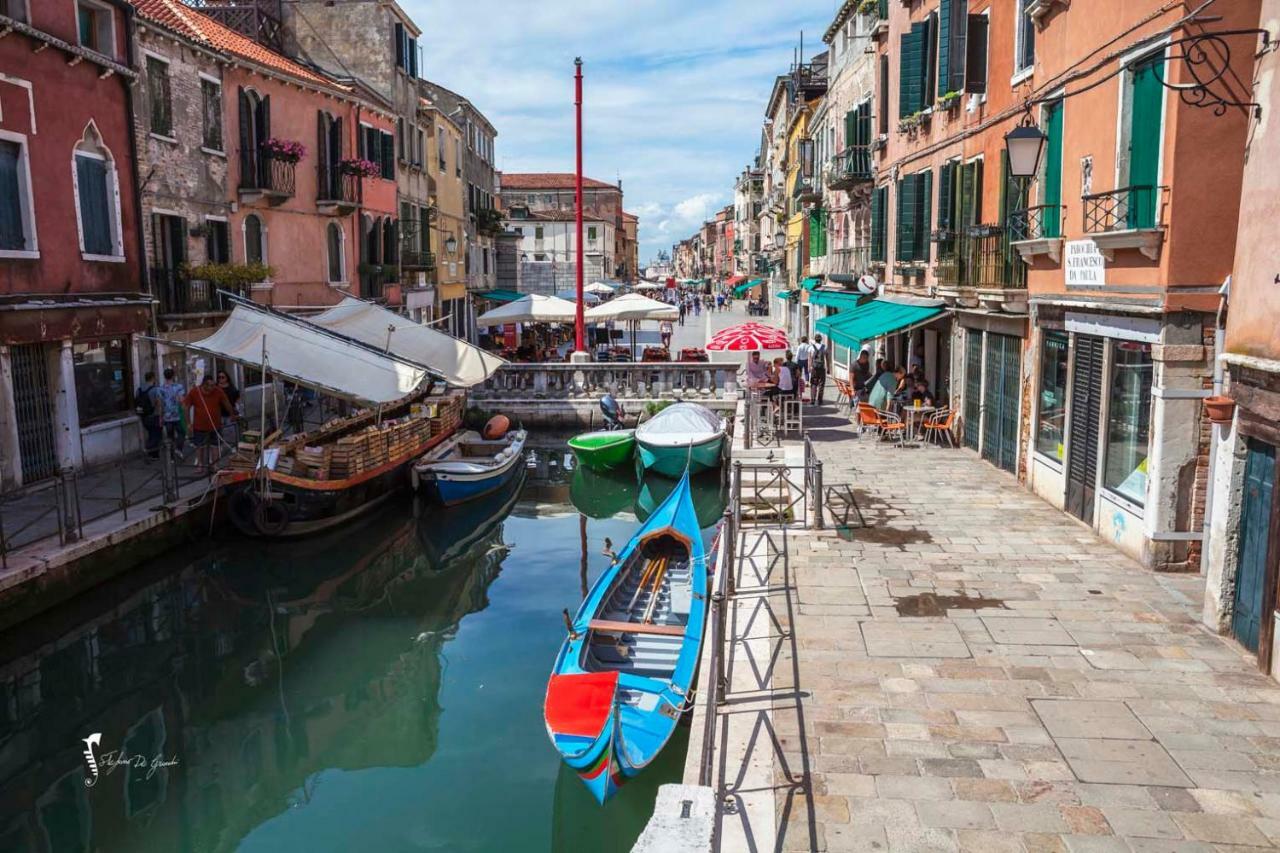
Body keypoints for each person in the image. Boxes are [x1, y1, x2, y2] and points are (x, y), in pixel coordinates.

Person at [183, 374, 234, 471]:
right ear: (203, 385)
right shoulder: (195, 392)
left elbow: (226, 402)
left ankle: (214, 464)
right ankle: (200, 465)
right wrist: (188, 423)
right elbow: (186, 407)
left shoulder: (217, 390)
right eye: (208, 385)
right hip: (199, 425)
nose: (211, 388)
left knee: (214, 445)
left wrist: (232, 414)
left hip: (215, 424)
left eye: (212, 385)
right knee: (200, 446)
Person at [158, 368, 187, 461]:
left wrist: (160, 418)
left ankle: (171, 458)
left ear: (164, 376)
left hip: (167, 417)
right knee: (182, 432)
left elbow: (160, 405)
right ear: (173, 376)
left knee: (170, 437)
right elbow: (181, 401)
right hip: (177, 415)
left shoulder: (160, 389)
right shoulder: (179, 387)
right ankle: (178, 449)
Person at [136, 371, 162, 460]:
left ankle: (154, 454)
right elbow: (159, 403)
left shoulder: (139, 390)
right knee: (157, 435)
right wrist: (162, 415)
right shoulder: (155, 390)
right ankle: (148, 450)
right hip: (154, 416)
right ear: (153, 378)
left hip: (144, 416)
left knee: (151, 434)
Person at [811, 335, 829, 405]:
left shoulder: (812, 347)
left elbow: (810, 358)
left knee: (814, 383)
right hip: (822, 368)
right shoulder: (825, 347)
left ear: (815, 340)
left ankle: (812, 399)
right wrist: (828, 368)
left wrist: (810, 367)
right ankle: (820, 400)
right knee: (821, 384)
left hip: (814, 368)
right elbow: (827, 358)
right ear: (821, 340)